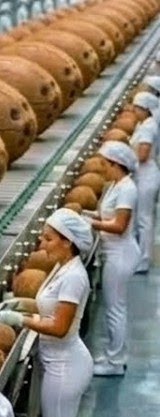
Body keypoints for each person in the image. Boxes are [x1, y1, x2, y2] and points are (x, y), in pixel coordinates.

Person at [0, 209, 93, 417]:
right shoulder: (62, 268)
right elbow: (51, 307)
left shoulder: (75, 276)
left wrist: (21, 321)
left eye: (49, 238)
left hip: (66, 365)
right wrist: (22, 304)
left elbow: (61, 326)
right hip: (60, 361)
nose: (42, 241)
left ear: (67, 242)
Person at [83, 141, 138, 376]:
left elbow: (119, 225)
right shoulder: (115, 185)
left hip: (120, 254)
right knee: (113, 308)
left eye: (105, 164)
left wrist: (91, 224)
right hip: (113, 252)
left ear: (117, 164)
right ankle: (113, 355)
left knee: (116, 309)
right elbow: (107, 214)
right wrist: (84, 214)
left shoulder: (127, 189)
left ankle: (115, 362)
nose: (102, 168)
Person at [128, 91, 159, 273]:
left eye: (137, 108)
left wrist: (124, 157)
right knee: (143, 218)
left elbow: (143, 154)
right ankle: (141, 257)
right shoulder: (146, 124)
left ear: (146, 109)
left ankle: (145, 259)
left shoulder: (147, 127)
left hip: (146, 175)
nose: (134, 110)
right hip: (144, 174)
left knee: (144, 220)